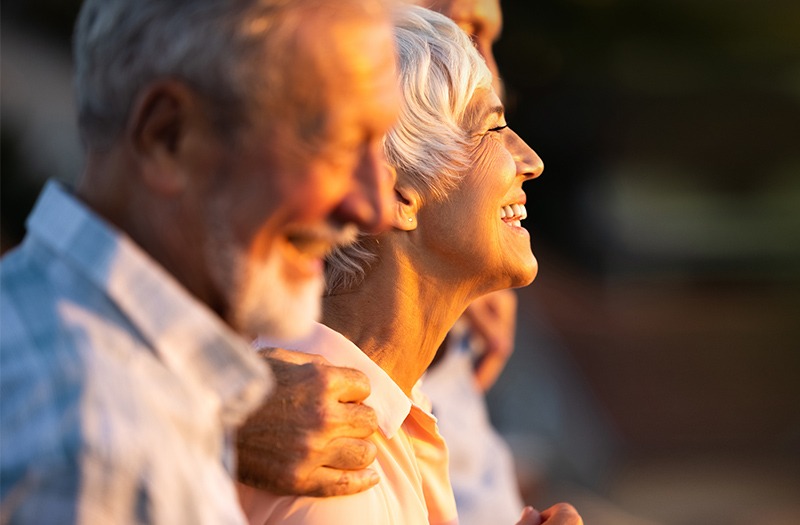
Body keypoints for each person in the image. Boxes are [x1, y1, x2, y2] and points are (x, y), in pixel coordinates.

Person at [0, 0, 400, 522]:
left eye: (379, 146)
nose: (374, 207)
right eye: (337, 144)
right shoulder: (108, 447)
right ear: (168, 136)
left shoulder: (50, 334)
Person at [236, 6, 581, 525]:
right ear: (393, 189)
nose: (530, 160)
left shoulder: (385, 413)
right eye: (494, 128)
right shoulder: (333, 460)